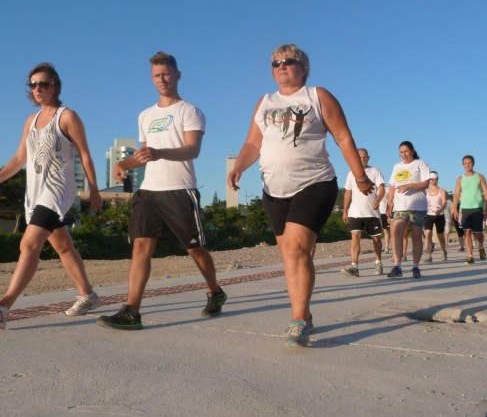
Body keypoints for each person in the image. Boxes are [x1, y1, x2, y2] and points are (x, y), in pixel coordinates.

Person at [227, 44, 373, 348]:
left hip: (315, 183)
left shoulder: (318, 96)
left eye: (288, 61)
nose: (281, 66)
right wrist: (239, 166)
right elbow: (253, 144)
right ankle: (305, 313)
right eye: (275, 63)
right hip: (274, 190)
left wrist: (359, 176)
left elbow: (343, 136)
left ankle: (297, 321)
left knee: (296, 250)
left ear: (303, 68)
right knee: (291, 256)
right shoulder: (264, 102)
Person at [96, 51, 226, 331]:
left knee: (194, 248)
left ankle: (215, 291)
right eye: (157, 75)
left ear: (177, 75)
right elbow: (144, 155)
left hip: (179, 189)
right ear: (151, 78)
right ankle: (132, 311)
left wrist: (160, 152)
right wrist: (123, 163)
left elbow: (193, 150)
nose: (162, 79)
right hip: (149, 191)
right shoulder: (145, 115)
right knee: (141, 245)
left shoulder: (189, 111)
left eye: (166, 74)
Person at [0, 63, 103, 330]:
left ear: (55, 86)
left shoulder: (67, 117)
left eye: (42, 84)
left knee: (29, 244)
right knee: (63, 246)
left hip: (57, 189)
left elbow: (85, 154)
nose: (37, 89)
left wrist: (94, 190)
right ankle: (88, 295)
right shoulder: (30, 121)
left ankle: (4, 305)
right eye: (33, 85)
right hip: (35, 192)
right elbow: (19, 159)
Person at [386, 141, 430, 278]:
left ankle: (415, 267)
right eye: (401, 152)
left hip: (417, 206)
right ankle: (397, 266)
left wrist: (409, 185)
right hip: (400, 207)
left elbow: (426, 183)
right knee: (397, 234)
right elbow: (392, 186)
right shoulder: (397, 166)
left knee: (416, 236)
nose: (403, 155)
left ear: (412, 151)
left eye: (406, 151)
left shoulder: (420, 164)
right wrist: (389, 203)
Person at [341, 148, 385, 277]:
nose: (363, 159)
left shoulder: (375, 171)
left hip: (372, 212)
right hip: (355, 212)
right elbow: (348, 192)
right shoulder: (351, 173)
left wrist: (378, 199)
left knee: (376, 238)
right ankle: (354, 266)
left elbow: (381, 188)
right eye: (360, 157)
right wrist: (345, 210)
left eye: (365, 157)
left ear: (368, 158)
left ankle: (378, 263)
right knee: (355, 237)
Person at [451, 155, 487, 264]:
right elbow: (455, 195)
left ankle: (481, 247)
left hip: (477, 208)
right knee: (466, 232)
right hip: (465, 208)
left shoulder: (479, 176)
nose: (467, 165)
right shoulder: (460, 179)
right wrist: (455, 208)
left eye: (469, 163)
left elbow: (486, 191)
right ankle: (470, 255)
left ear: (473, 163)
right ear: (463, 165)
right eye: (465, 163)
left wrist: (486, 205)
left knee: (478, 233)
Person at [423, 171, 448, 262]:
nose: (432, 180)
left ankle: (443, 251)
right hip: (428, 215)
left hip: (439, 215)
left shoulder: (441, 191)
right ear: (429, 180)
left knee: (440, 236)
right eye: (431, 179)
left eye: (434, 179)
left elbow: (444, 203)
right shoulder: (425, 191)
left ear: (437, 179)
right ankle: (428, 254)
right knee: (428, 234)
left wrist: (440, 210)